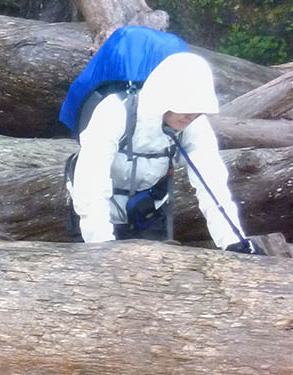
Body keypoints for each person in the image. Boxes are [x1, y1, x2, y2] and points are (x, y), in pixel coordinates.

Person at [64, 44, 257, 250]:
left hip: (146, 207)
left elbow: (212, 184)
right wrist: (100, 243)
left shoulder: (193, 125)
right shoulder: (114, 111)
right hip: (95, 209)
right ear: (164, 98)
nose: (190, 116)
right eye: (185, 107)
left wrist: (233, 241)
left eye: (197, 110)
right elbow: (91, 184)